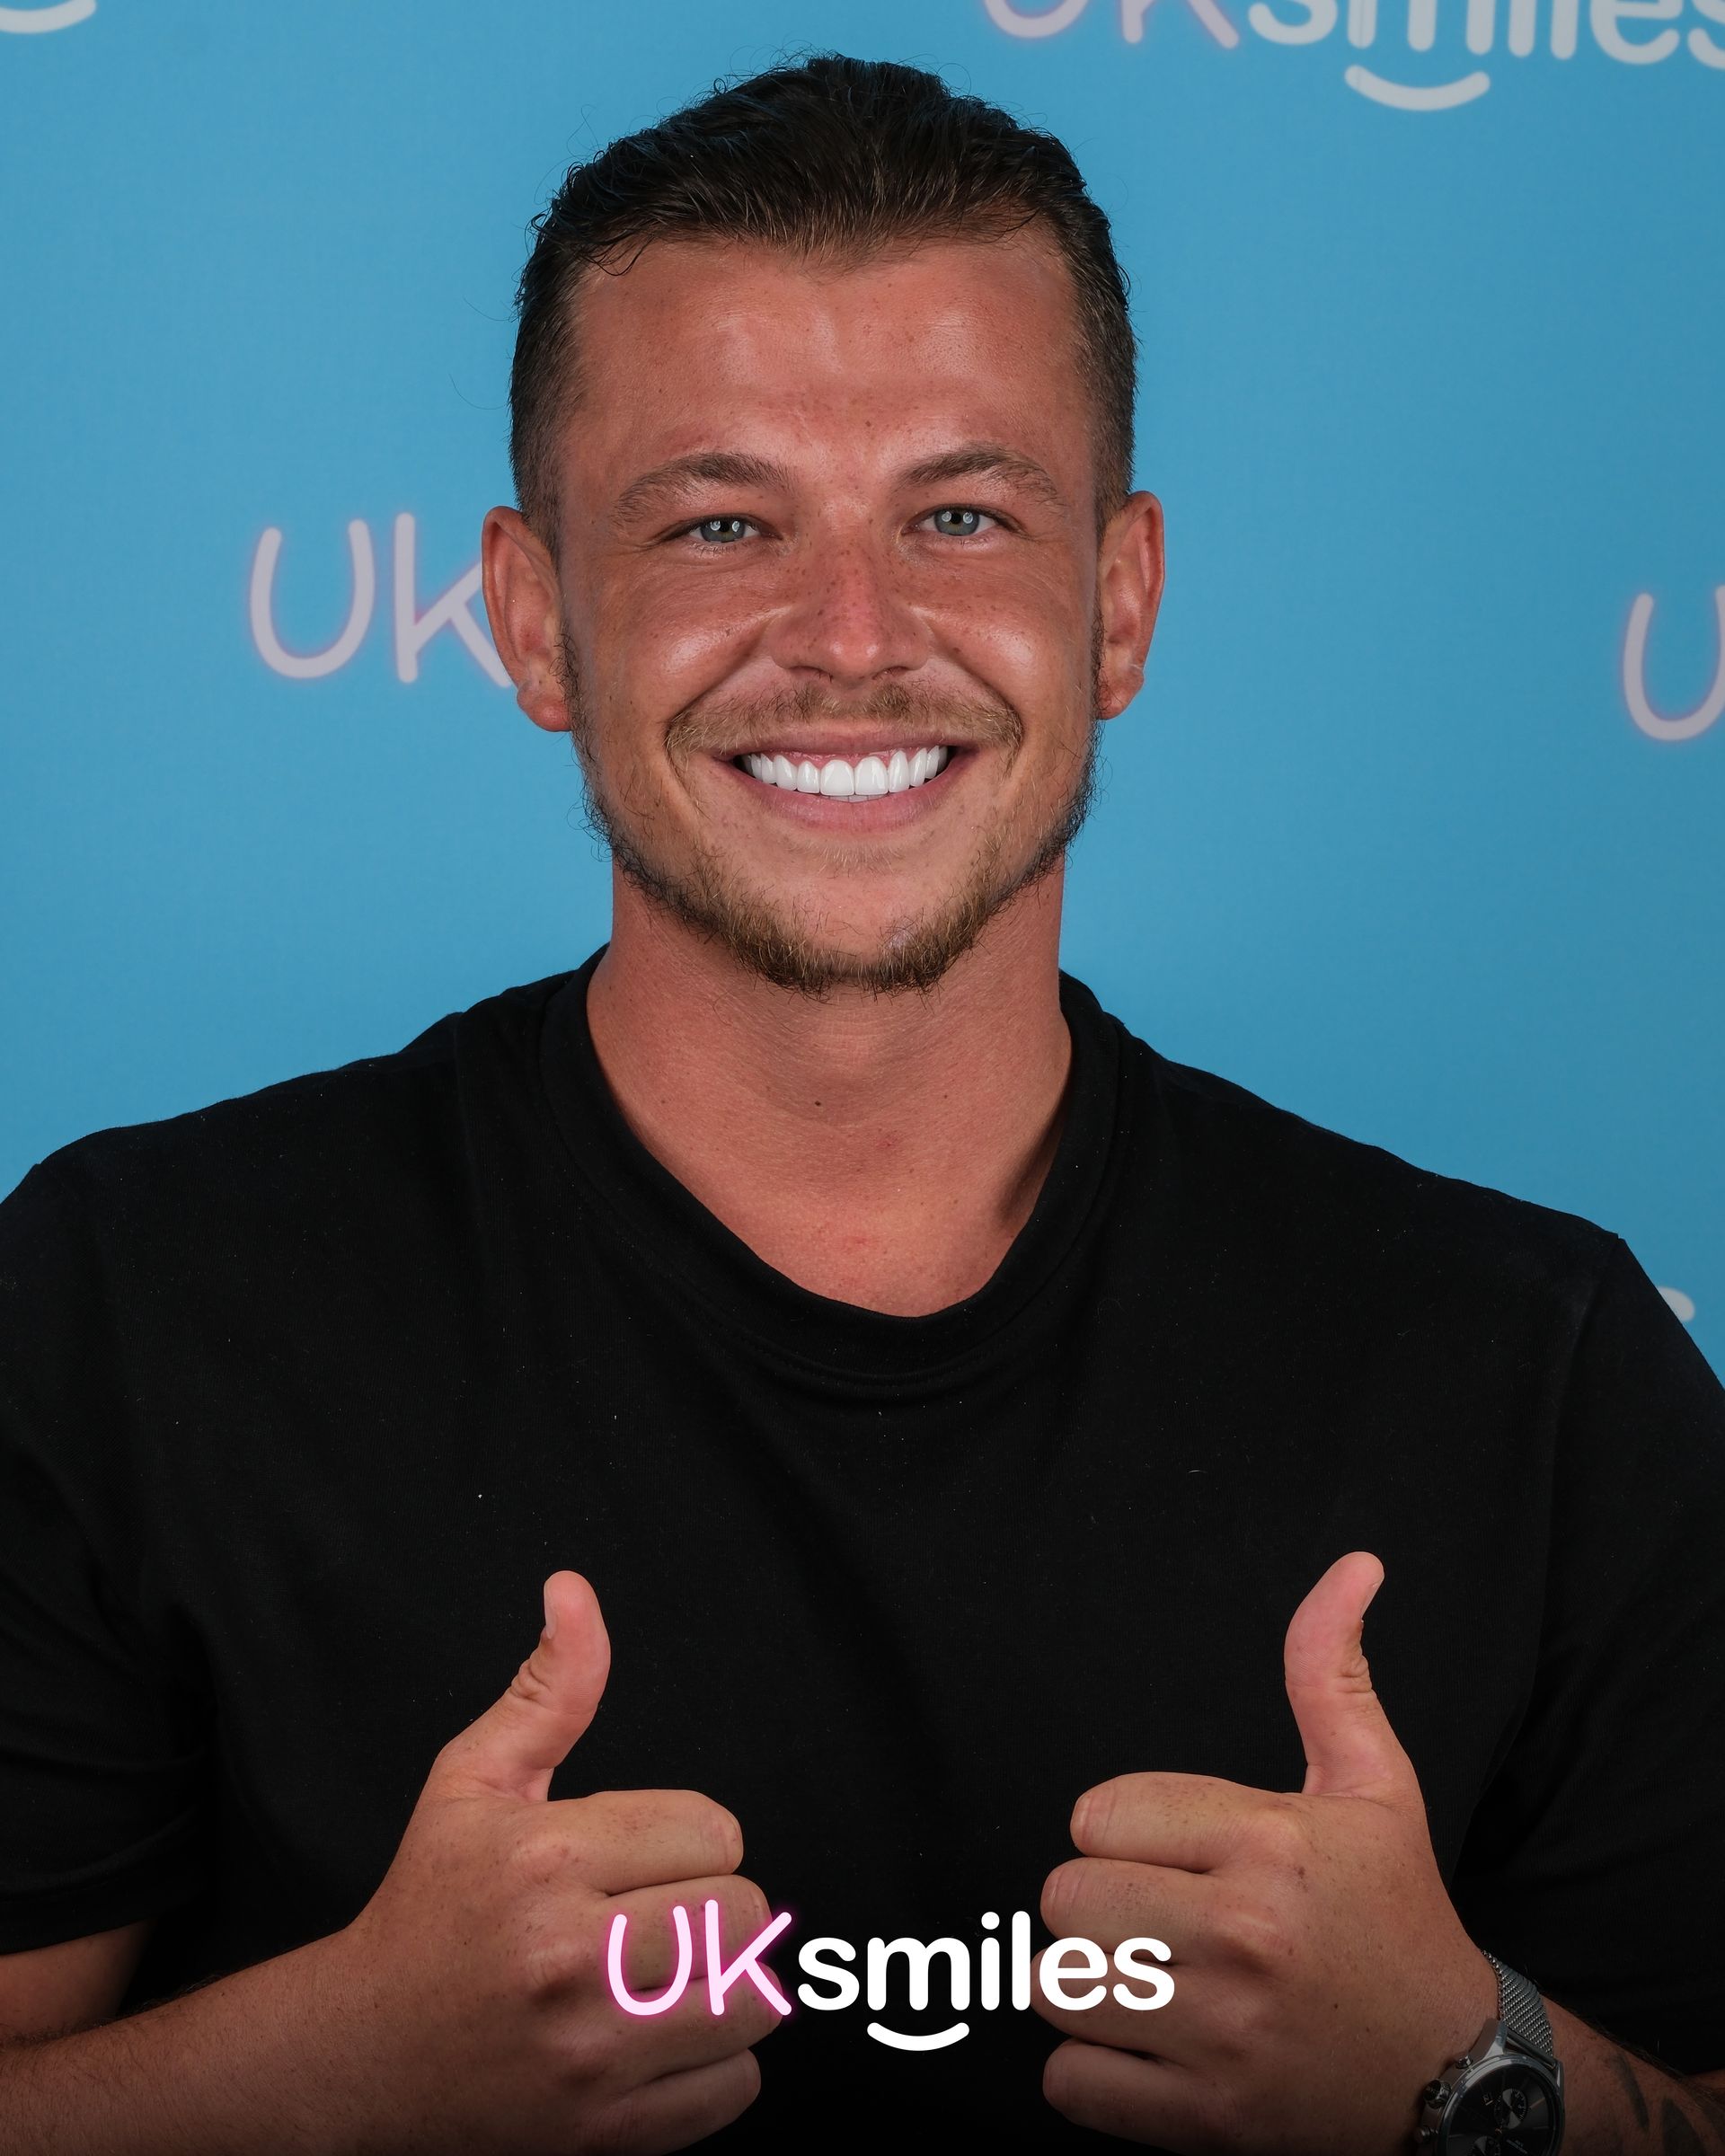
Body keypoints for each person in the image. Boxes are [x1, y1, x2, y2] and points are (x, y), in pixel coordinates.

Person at [0, 51, 1721, 2156]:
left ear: (1120, 602)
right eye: (723, 523)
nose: (850, 637)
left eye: (961, 516)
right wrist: (328, 2075)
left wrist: (1469, 2083)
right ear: (535, 616)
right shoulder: (129, 1304)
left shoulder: (1534, 1371)